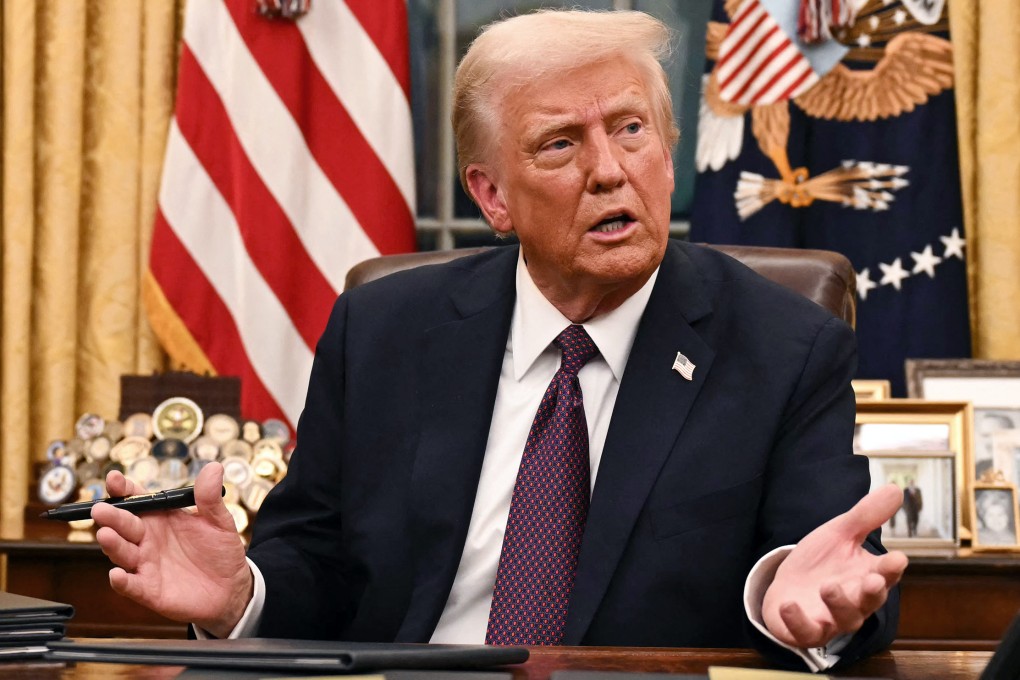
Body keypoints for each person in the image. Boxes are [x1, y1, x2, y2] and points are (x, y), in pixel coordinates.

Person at [92, 9, 906, 672]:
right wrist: (242, 599)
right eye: (561, 143)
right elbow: (318, 560)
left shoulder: (784, 345)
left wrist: (795, 601)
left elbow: (831, 567)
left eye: (631, 130)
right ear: (492, 196)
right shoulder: (385, 330)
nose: (610, 171)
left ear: (667, 151)